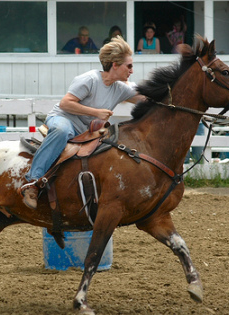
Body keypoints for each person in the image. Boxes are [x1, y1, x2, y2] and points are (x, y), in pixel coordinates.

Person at [20, 36, 145, 209]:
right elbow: (65, 103)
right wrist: (96, 113)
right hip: (63, 119)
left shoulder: (120, 88)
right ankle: (32, 182)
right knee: (62, 132)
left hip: (86, 131)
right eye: (129, 66)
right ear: (115, 65)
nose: (132, 70)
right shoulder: (90, 79)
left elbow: (145, 99)